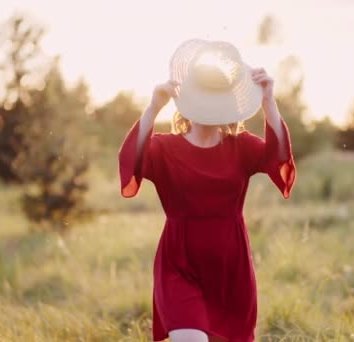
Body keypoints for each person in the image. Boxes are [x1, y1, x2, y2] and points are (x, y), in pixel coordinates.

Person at [118, 39, 296, 342]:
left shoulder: (241, 147)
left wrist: (269, 103)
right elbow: (130, 160)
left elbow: (279, 159)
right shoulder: (164, 148)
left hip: (230, 268)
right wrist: (153, 107)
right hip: (180, 263)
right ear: (187, 98)